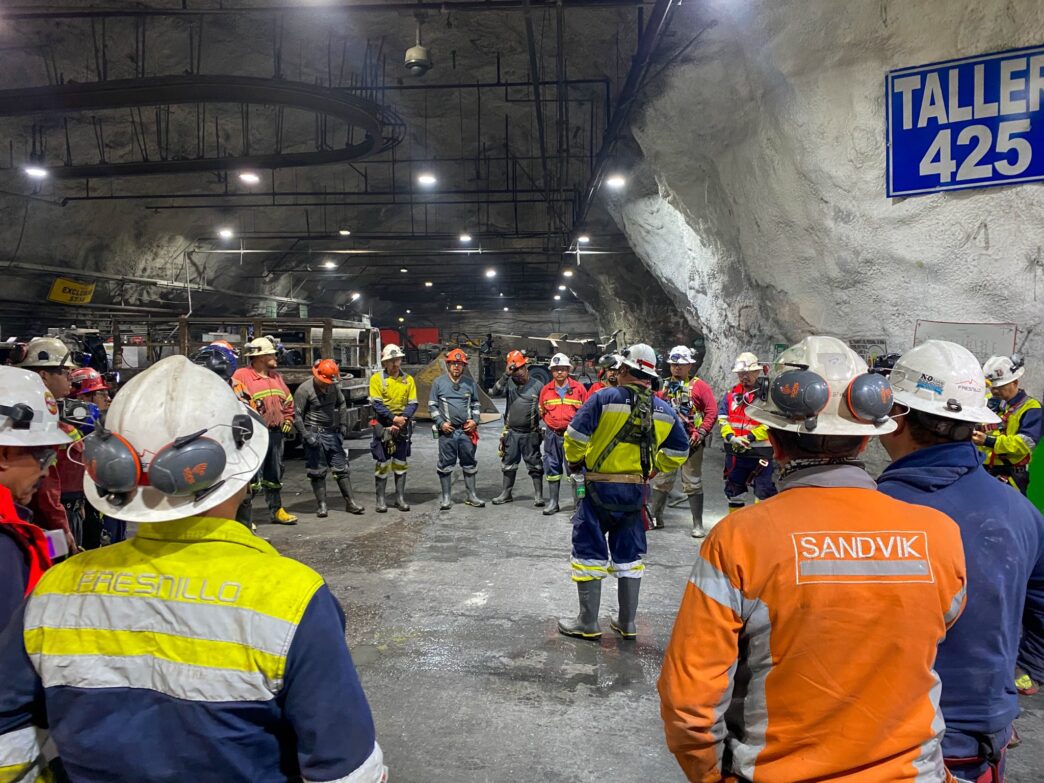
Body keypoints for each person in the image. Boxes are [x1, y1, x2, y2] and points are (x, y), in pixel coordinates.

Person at [0, 356, 387, 783]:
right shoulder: (291, 599)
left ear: (110, 466)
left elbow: (8, 740)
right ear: (241, 473)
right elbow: (346, 770)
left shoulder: (54, 593)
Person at [658, 335, 967, 783]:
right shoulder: (940, 534)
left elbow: (690, 699)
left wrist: (709, 775)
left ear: (774, 441)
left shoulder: (739, 540)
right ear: (865, 440)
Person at [876, 340, 1044, 781]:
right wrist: (1012, 677)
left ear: (896, 418)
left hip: (892, 742)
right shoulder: (1022, 512)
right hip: (983, 741)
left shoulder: (872, 514)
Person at [558, 343, 689, 641]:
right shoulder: (664, 409)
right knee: (629, 553)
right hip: (636, 492)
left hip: (597, 488)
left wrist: (576, 461)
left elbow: (575, 436)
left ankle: (588, 623)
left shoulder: (603, 398)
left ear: (625, 369)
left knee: (589, 550)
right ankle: (627, 623)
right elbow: (680, 450)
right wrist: (655, 468)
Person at [0, 367, 70, 628]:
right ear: (4, 454)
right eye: (42, 455)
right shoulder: (4, 544)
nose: (45, 471)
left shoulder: (12, 528)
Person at [17, 336, 78, 552]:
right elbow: (46, 482)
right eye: (64, 372)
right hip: (38, 519)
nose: (70, 378)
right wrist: (62, 527)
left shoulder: (21, 409)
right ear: (43, 375)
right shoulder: (37, 416)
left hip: (28, 515)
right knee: (50, 558)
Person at [648, 345, 716, 536]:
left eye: (681, 365)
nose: (677, 368)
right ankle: (656, 517)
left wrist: (701, 432)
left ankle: (697, 524)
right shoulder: (662, 386)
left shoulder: (700, 386)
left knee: (692, 481)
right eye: (673, 364)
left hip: (692, 442)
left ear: (690, 366)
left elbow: (711, 411)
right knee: (662, 479)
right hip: (667, 442)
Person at [233, 336, 298, 525]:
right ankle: (243, 518)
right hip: (252, 436)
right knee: (250, 476)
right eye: (272, 354)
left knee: (274, 473)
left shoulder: (275, 377)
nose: (276, 357)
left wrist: (288, 418)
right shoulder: (241, 376)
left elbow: (288, 401)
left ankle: (276, 510)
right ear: (260, 357)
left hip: (275, 433)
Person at [294, 359, 365, 518]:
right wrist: (306, 435)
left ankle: (350, 503)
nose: (327, 385)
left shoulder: (333, 386)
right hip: (313, 432)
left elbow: (342, 403)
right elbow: (297, 415)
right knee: (317, 471)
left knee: (341, 468)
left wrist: (343, 425)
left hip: (330, 432)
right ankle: (322, 505)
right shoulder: (304, 390)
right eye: (324, 381)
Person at [717, 351, 777, 513]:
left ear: (757, 372)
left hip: (761, 455)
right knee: (734, 493)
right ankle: (734, 524)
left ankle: (761, 526)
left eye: (748, 373)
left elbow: (772, 423)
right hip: (735, 453)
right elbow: (723, 419)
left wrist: (750, 437)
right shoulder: (731, 395)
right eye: (741, 373)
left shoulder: (768, 397)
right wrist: (731, 437)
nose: (744, 377)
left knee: (763, 494)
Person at [58, 368, 111, 549]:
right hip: (64, 511)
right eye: (101, 394)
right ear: (82, 397)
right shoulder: (63, 430)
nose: (107, 398)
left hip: (78, 506)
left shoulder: (90, 431)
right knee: (59, 553)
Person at [976, 353, 1041, 495]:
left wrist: (988, 441)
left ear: (1015, 382)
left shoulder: (1032, 408)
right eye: (992, 387)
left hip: (1010, 474)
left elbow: (1025, 443)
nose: (994, 391)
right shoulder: (987, 400)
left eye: (1000, 386)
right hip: (980, 470)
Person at [429, 348, 485, 510]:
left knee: (469, 462)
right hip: (447, 432)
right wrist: (441, 423)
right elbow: (432, 406)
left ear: (464, 366)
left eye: (460, 364)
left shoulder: (469, 383)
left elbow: (476, 403)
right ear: (448, 365)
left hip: (466, 432)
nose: (456, 366)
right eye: (453, 363)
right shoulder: (438, 383)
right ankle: (446, 497)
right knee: (445, 464)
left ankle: (471, 495)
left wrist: (475, 421)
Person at [491, 350, 545, 506]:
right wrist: (506, 375)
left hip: (530, 434)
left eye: (521, 368)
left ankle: (538, 495)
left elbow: (545, 407)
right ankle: (506, 493)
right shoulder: (509, 383)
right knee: (508, 464)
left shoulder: (538, 386)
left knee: (535, 465)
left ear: (526, 367)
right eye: (515, 370)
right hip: (512, 433)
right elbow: (494, 392)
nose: (519, 372)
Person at [369, 344, 418, 513]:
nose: (395, 363)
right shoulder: (377, 379)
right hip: (383, 424)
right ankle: (380, 500)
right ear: (385, 363)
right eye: (391, 361)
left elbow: (413, 403)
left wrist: (403, 419)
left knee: (400, 462)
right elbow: (377, 404)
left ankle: (400, 498)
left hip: (402, 424)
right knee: (382, 463)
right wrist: (393, 419)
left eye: (397, 360)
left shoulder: (408, 380)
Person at [538, 353, 588, 516]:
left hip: (573, 437)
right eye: (556, 369)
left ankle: (580, 505)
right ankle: (553, 502)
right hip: (552, 435)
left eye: (562, 369)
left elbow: (586, 413)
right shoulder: (545, 390)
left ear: (568, 370)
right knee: (551, 467)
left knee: (577, 471)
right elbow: (542, 412)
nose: (559, 372)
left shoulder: (579, 389)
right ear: (551, 371)